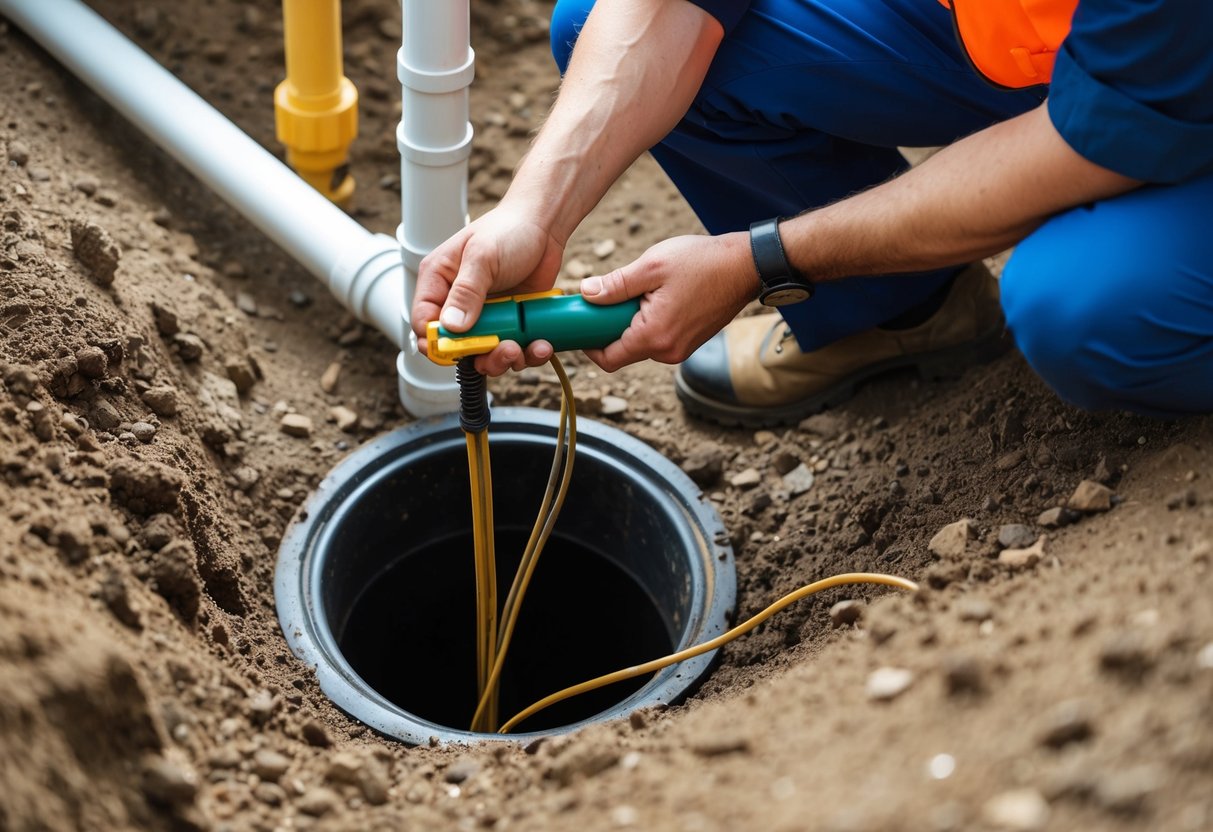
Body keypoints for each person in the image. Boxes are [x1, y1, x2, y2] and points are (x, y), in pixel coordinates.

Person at [412, 0, 1213, 426]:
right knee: (600, 24)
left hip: (1167, 67)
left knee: (1084, 308)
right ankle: (901, 314)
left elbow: (1090, 143)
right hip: (1060, 34)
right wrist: (535, 214)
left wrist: (760, 260)